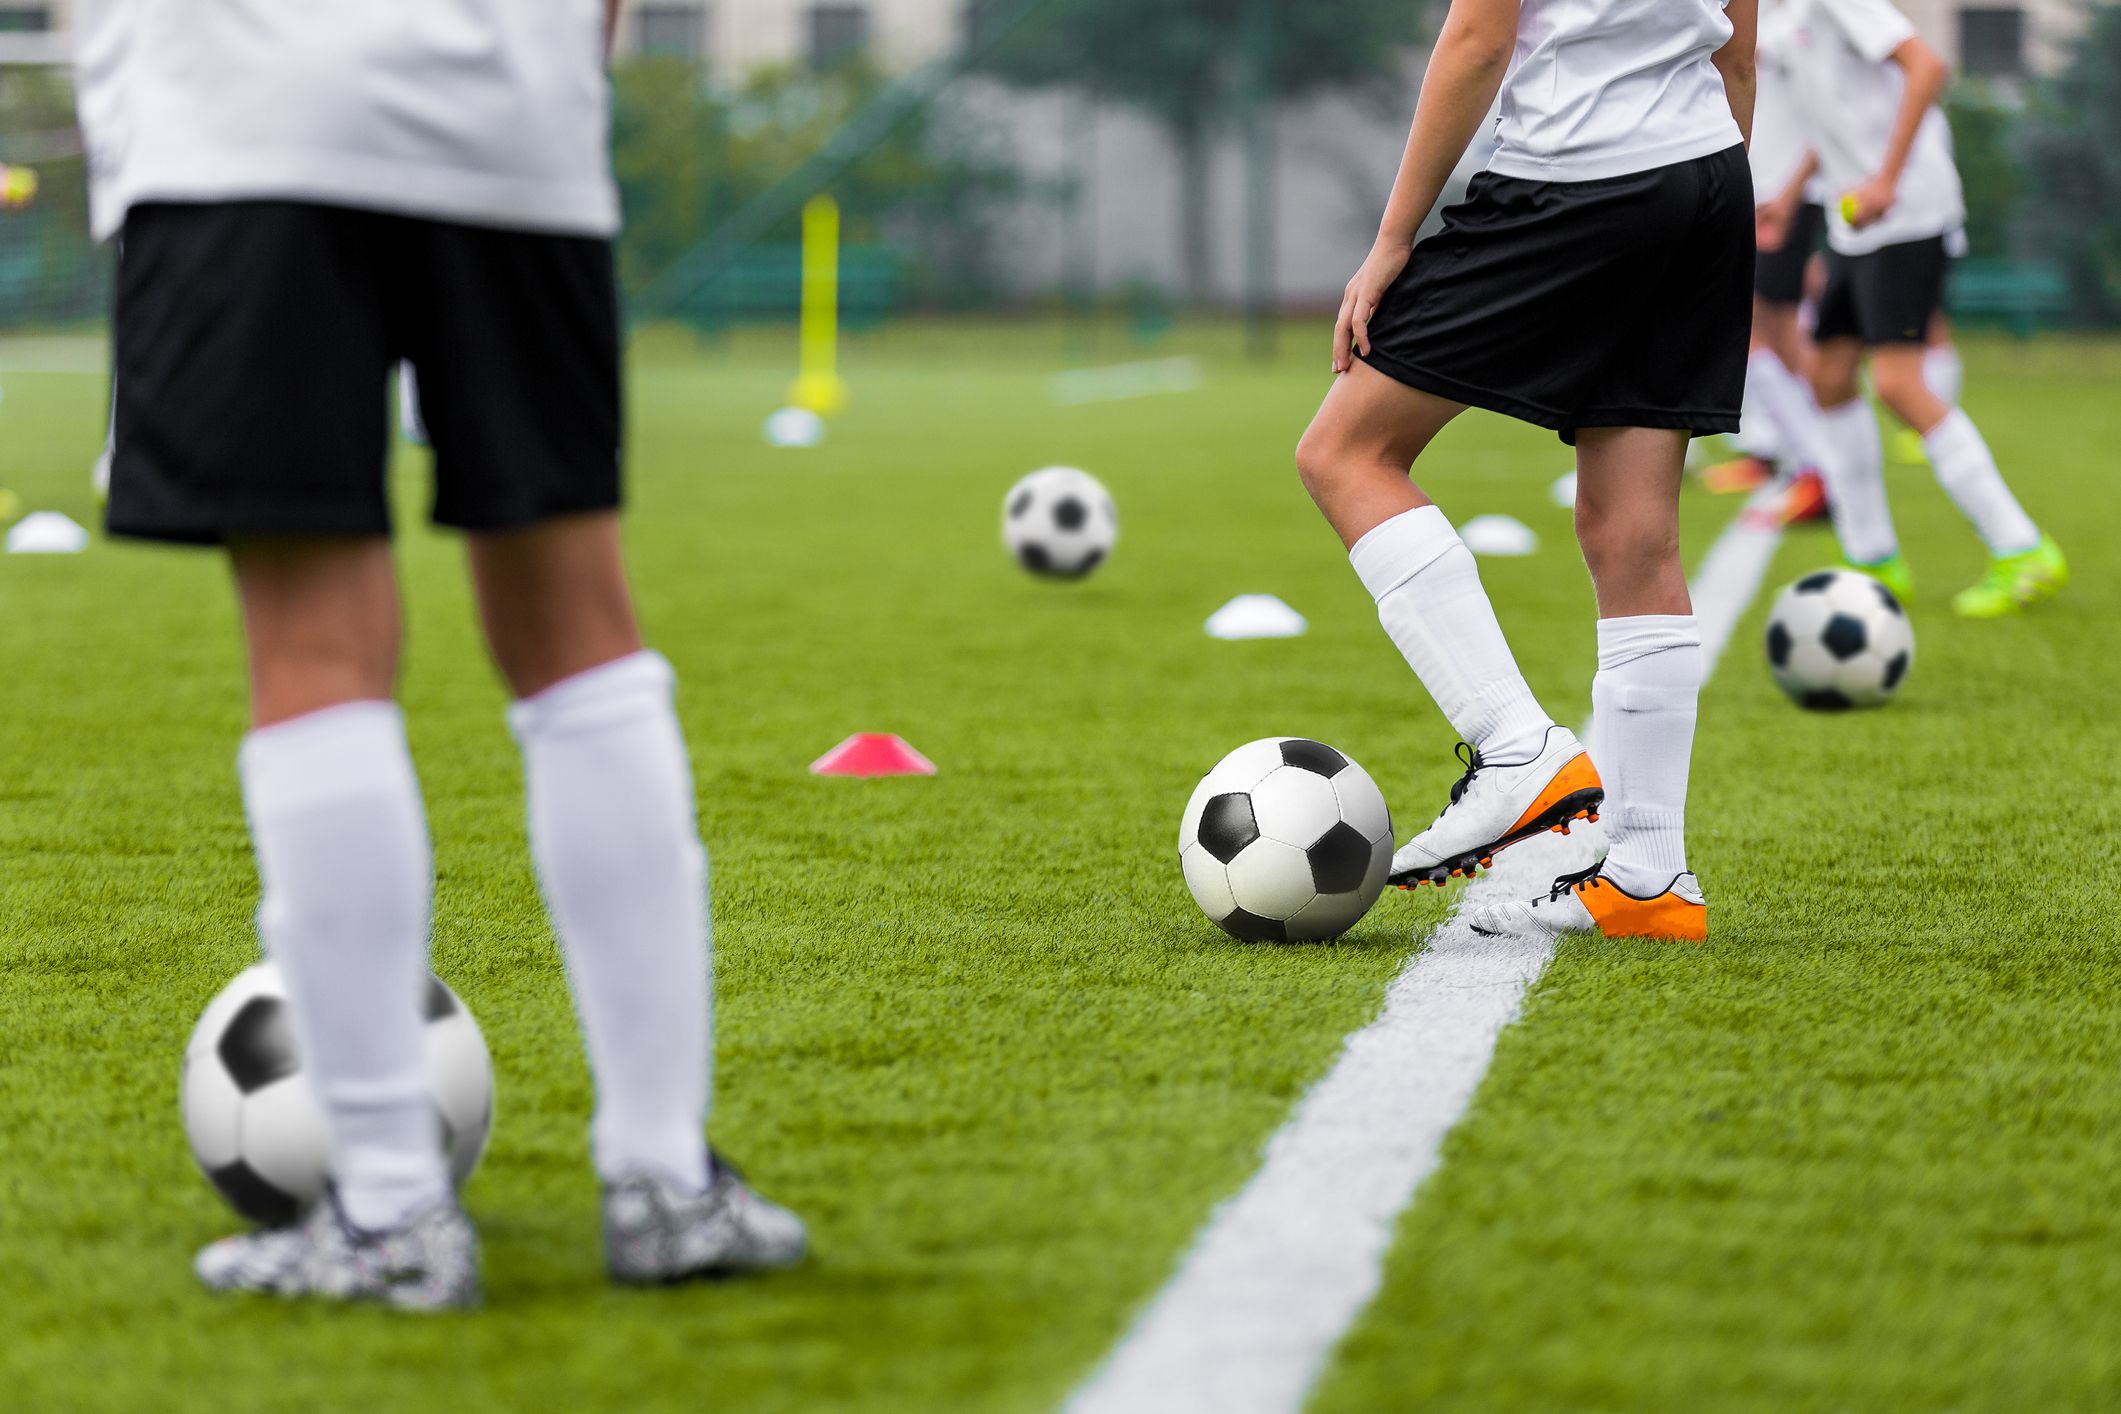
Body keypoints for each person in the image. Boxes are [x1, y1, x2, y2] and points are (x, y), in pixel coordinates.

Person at [73, 0, 806, 1308]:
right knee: (579, 624)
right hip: (505, 106)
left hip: (242, 111)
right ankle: (663, 1178)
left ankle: (392, 1211)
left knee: (312, 637)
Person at [1294, 0, 1759, 943]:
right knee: (1632, 533)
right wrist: (1695, 205)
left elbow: (1476, 39)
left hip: (1577, 175)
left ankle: (1518, 747)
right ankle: (1646, 876)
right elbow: (1739, 47)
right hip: (1707, 178)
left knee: (1345, 453)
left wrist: (1392, 242)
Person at [1769, 0, 2065, 616]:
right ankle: (1873, 559)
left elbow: (1927, 66)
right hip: (1855, 226)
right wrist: (1791, 197)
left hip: (1906, 215)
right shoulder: (1783, 16)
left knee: (1900, 386)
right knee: (1829, 379)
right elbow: (1834, 124)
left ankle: (2021, 546)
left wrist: (1886, 180)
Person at [1706, 0, 1833, 525]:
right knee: (1761, 334)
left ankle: (1823, 471)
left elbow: (1830, 114)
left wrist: (1791, 193)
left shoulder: (1807, 22)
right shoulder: (1776, 22)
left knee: (1775, 334)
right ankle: (1808, 466)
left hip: (1780, 200)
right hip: (1761, 194)